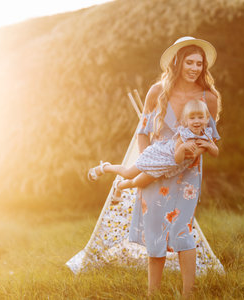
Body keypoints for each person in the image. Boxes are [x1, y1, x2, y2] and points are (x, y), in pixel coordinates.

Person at [126, 36, 222, 298]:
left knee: (181, 229)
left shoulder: (208, 97)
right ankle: (152, 294)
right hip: (156, 171)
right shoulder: (157, 92)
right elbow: (143, 132)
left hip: (187, 173)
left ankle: (188, 294)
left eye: (199, 64)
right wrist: (150, 164)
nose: (194, 68)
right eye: (189, 62)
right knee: (155, 230)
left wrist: (195, 150)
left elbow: (210, 136)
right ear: (177, 63)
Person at [87, 99, 219, 201]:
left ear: (207, 119)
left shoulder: (206, 134)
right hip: (157, 157)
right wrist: (184, 147)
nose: (197, 121)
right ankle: (105, 167)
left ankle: (119, 186)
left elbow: (215, 152)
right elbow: (177, 159)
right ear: (186, 121)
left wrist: (209, 146)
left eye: (200, 117)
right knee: (128, 173)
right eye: (192, 118)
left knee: (138, 183)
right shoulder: (183, 135)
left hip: (164, 167)